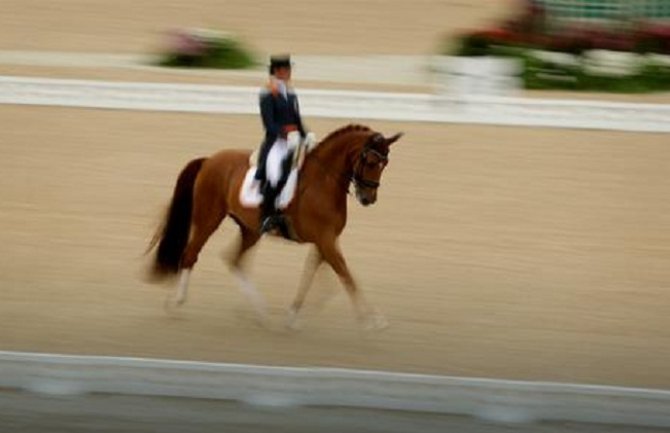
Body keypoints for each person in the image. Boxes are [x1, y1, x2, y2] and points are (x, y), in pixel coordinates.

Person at [254, 54, 311, 234]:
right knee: (276, 173)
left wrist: (306, 134)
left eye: (289, 69)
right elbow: (269, 124)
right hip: (276, 143)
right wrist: (286, 134)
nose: (289, 73)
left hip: (293, 140)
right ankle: (266, 216)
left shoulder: (291, 93)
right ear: (278, 71)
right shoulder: (267, 93)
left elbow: (296, 119)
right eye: (287, 69)